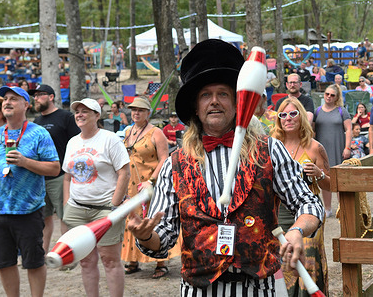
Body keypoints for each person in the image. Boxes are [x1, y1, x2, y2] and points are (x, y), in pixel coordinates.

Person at [127, 39, 324, 295]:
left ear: (237, 103)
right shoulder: (174, 165)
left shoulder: (270, 151)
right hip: (198, 289)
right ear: (196, 108)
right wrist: (145, 236)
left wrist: (297, 230)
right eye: (206, 95)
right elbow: (162, 239)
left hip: (258, 288)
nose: (214, 101)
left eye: (223, 94)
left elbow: (309, 203)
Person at [0, 86, 60, 297]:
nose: (7, 102)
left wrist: (25, 162)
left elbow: (54, 168)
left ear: (26, 105)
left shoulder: (39, 133)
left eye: (14, 99)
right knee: (4, 263)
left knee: (33, 262)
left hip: (28, 211)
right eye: (5, 99)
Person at [62, 98, 130, 297]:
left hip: (104, 209)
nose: (80, 115)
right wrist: (67, 204)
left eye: (85, 111)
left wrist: (114, 205)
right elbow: (67, 177)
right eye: (77, 112)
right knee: (85, 261)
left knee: (109, 260)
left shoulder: (110, 139)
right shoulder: (72, 142)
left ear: (97, 115)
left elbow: (124, 173)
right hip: (77, 208)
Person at [271, 98, 330, 296]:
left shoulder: (314, 147)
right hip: (279, 216)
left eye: (293, 114)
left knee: (308, 262)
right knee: (282, 264)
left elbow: (331, 185)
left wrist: (319, 175)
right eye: (283, 115)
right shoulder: (271, 146)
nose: (288, 118)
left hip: (308, 214)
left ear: (302, 117)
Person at [121, 98, 180, 278]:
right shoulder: (128, 131)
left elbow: (164, 158)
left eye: (140, 110)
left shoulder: (156, 132)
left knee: (151, 219)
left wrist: (152, 181)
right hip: (132, 184)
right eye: (133, 110)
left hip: (151, 183)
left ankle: (160, 263)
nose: (136, 113)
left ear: (148, 113)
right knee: (133, 219)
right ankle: (133, 259)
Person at [30, 84, 81, 255]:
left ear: (51, 97)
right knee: (44, 217)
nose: (36, 98)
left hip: (61, 176)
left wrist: (71, 172)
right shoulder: (36, 122)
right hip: (40, 177)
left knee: (64, 216)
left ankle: (65, 253)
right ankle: (43, 252)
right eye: (34, 96)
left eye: (40, 95)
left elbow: (77, 143)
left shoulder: (65, 117)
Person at [313, 84, 352, 217]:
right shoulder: (317, 111)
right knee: (324, 178)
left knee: (340, 179)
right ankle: (328, 208)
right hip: (322, 150)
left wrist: (347, 147)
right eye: (327, 94)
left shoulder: (342, 111)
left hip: (338, 148)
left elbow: (349, 130)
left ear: (337, 97)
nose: (329, 97)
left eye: (332, 95)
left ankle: (342, 208)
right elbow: (312, 131)